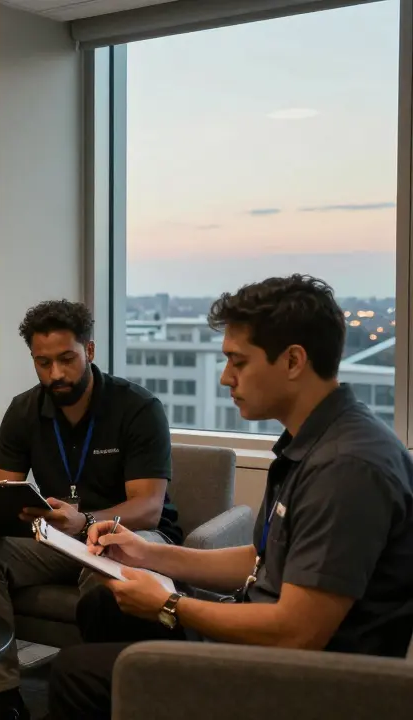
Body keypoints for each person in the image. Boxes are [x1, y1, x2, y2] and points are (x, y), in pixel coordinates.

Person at [47, 275, 413, 719]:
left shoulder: (346, 467)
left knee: (76, 672)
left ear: (294, 360)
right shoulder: (313, 442)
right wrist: (147, 554)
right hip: (268, 645)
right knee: (105, 605)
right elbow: (262, 559)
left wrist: (169, 604)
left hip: (305, 682)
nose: (225, 378)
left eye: (238, 361)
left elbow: (296, 633)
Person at [0, 299, 181, 720]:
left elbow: (148, 508)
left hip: (129, 536)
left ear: (89, 351)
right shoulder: (24, 409)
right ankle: (1, 696)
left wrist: (86, 520)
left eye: (67, 359)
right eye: (43, 363)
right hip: (57, 537)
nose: (56, 373)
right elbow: (5, 484)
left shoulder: (137, 408)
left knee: (106, 558)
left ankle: (96, 694)